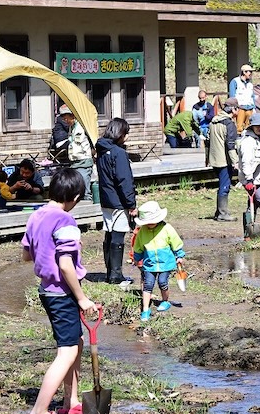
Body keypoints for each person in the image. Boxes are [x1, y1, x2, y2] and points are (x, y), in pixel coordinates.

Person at [22, 168, 98, 414]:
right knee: (67, 352)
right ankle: (39, 413)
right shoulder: (66, 221)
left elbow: (27, 255)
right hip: (61, 292)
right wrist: (82, 298)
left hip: (47, 290)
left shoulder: (36, 215)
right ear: (75, 197)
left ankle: (71, 400)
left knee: (75, 342)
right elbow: (65, 265)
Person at [95, 117, 137, 287]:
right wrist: (131, 204)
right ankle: (116, 275)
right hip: (119, 201)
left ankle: (109, 273)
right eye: (126, 133)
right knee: (118, 236)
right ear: (120, 133)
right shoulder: (119, 153)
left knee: (109, 234)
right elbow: (124, 181)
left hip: (106, 199)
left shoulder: (101, 150)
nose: (127, 137)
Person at [132, 201, 185, 322]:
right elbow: (138, 246)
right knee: (148, 284)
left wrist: (179, 255)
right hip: (149, 264)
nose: (150, 224)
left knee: (162, 282)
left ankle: (165, 301)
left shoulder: (167, 228)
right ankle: (145, 309)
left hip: (165, 263)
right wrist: (136, 258)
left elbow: (175, 242)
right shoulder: (142, 232)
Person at [208, 97, 240, 221]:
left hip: (214, 159)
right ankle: (223, 213)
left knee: (221, 184)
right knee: (225, 186)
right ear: (233, 109)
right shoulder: (229, 124)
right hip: (224, 160)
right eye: (238, 109)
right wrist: (235, 161)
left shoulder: (213, 121)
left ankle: (219, 212)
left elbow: (207, 141)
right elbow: (230, 145)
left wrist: (207, 159)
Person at [61, 105, 95, 200]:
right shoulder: (71, 128)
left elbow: (93, 140)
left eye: (66, 118)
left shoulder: (83, 126)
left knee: (84, 189)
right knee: (77, 189)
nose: (66, 121)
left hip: (84, 160)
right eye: (64, 119)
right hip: (74, 162)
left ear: (73, 115)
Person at [229, 64, 256, 133]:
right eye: (250, 72)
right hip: (240, 108)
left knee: (249, 127)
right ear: (244, 72)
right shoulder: (235, 81)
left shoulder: (250, 84)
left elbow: (252, 96)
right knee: (239, 128)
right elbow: (232, 96)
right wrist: (233, 108)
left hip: (250, 108)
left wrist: (254, 108)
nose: (251, 74)